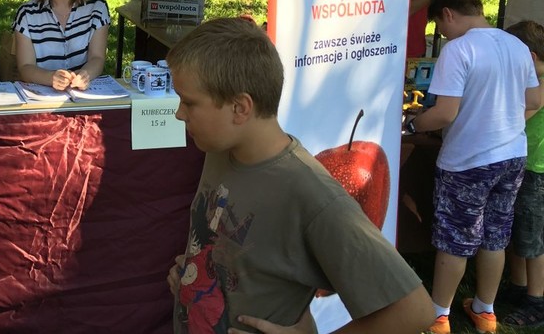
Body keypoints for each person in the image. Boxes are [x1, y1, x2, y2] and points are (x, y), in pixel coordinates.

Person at [164, 17, 433, 334]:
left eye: (189, 102)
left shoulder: (312, 194)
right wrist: (192, 281)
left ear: (240, 108)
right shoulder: (220, 149)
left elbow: (413, 310)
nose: (179, 113)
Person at [404, 0, 540, 334]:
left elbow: (445, 113)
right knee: (495, 237)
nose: (442, 33)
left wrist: (411, 123)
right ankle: (485, 311)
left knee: (455, 240)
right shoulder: (517, 45)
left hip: (468, 160)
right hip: (512, 155)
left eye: (439, 24)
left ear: (447, 14)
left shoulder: (458, 49)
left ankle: (438, 315)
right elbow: (533, 101)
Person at [499, 20, 544, 327]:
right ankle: (518, 286)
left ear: (527, 55)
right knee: (518, 231)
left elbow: (518, 116)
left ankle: (536, 300)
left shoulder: (539, 84)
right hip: (523, 164)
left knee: (532, 239)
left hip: (536, 170)